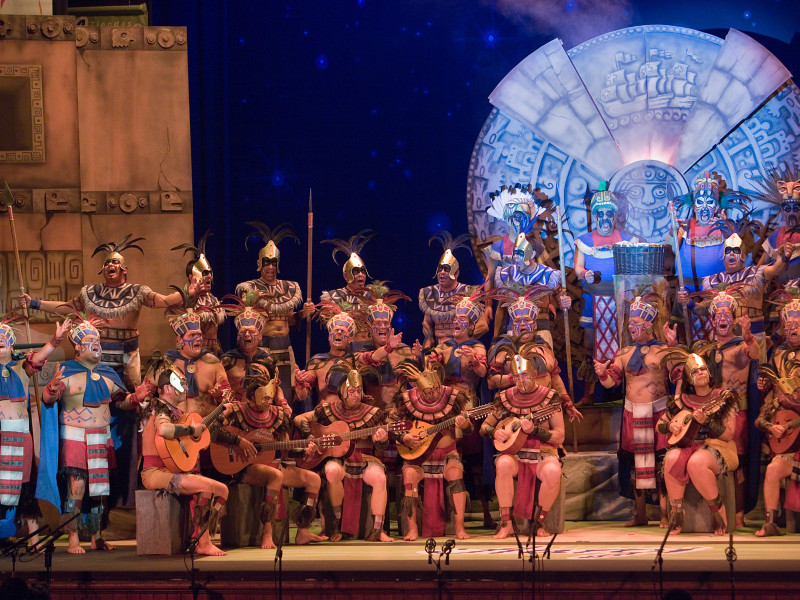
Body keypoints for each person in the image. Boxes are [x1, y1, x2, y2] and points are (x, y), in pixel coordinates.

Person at [20, 234, 182, 386]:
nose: (110, 265)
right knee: (100, 391)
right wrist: (33, 303)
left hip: (127, 353)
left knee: (129, 397)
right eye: (107, 263)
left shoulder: (138, 291)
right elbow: (66, 307)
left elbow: (165, 301)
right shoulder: (91, 292)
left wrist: (189, 291)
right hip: (98, 352)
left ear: (124, 269)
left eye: (115, 262)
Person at [40, 316, 142, 553]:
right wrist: (52, 388)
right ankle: (73, 537)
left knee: (99, 491)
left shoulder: (108, 373)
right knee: (76, 489)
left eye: (97, 341)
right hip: (74, 435)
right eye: (89, 341)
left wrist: (138, 397)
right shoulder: (65, 371)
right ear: (77, 347)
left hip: (100, 436)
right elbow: (49, 400)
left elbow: (122, 403)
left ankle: (96, 535)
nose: (96, 344)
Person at [140, 365, 232, 555]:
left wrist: (220, 418)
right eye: (180, 385)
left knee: (223, 490)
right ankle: (203, 542)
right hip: (155, 473)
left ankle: (198, 533)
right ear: (167, 389)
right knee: (207, 487)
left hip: (173, 470)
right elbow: (164, 430)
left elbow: (203, 438)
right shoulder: (159, 408)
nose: (185, 389)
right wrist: (191, 430)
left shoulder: (177, 414)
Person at [595, 296, 670, 527]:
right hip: (632, 415)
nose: (631, 327)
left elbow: (679, 376)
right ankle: (640, 515)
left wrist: (675, 347)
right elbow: (611, 383)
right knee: (637, 466)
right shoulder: (624, 352)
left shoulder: (663, 350)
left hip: (658, 413)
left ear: (648, 325)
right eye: (630, 323)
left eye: (636, 322)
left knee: (661, 464)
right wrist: (601, 373)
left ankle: (666, 514)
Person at [687, 289, 759, 528]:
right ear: (712, 320)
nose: (722, 319)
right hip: (711, 411)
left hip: (736, 412)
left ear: (734, 320)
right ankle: (715, 509)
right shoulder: (708, 351)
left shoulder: (740, 346)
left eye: (727, 314)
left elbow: (755, 354)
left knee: (737, 463)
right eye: (718, 315)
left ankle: (738, 514)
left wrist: (748, 336)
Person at [297, 365, 393, 542]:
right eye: (351, 391)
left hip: (365, 458)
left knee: (380, 477)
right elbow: (299, 418)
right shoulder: (328, 409)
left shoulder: (373, 413)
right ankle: (337, 524)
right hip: (340, 458)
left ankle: (378, 530)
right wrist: (311, 437)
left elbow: (380, 447)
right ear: (342, 392)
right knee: (331, 471)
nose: (356, 395)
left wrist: (381, 440)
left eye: (358, 390)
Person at [480, 347, 565, 538]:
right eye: (516, 376)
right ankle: (506, 523)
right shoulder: (505, 398)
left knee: (553, 471)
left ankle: (539, 523)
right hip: (516, 454)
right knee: (502, 464)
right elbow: (484, 427)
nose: (521, 380)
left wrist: (534, 431)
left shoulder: (550, 397)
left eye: (525, 375)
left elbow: (560, 436)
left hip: (544, 453)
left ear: (535, 374)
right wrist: (496, 433)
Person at [0, 314, 71, 540]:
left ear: (11, 345)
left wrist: (55, 340)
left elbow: (40, 357)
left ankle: (33, 537)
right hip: (0, 436)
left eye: (4, 337)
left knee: (25, 485)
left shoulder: (22, 367)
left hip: (21, 435)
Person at [657, 353, 739, 535]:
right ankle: (677, 512)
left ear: (710, 373)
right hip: (689, 446)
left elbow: (729, 434)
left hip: (717, 446)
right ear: (689, 379)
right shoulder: (681, 401)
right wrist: (671, 425)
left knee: (696, 462)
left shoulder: (724, 397)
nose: (700, 373)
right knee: (670, 458)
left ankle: (718, 510)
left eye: (703, 369)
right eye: (695, 371)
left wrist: (707, 422)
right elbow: (660, 425)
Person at [236, 222, 315, 406]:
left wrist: (303, 313)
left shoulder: (289, 287)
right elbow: (245, 317)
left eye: (273, 262)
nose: (270, 266)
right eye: (266, 262)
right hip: (262, 344)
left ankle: (284, 426)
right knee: (262, 386)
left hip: (285, 344)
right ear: (259, 264)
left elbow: (291, 319)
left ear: (277, 264)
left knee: (286, 389)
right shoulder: (250, 288)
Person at [573, 182, 638, 404]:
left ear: (615, 215)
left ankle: (626, 390)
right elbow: (578, 268)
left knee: (623, 343)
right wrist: (585, 274)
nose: (604, 219)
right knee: (591, 345)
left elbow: (634, 269)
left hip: (620, 301)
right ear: (594, 216)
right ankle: (590, 393)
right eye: (599, 214)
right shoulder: (584, 241)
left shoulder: (628, 240)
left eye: (608, 214)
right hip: (593, 300)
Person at [392, 360, 471, 541]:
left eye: (436, 389)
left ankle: (460, 527)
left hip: (447, 454)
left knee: (455, 472)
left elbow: (468, 431)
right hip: (418, 456)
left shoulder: (454, 398)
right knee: (410, 476)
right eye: (429, 391)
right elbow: (392, 426)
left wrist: (465, 424)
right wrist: (404, 437)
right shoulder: (406, 401)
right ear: (419, 390)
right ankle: (412, 529)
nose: (434, 394)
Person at [487, 292, 582, 423]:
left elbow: (555, 378)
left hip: (544, 413)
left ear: (535, 325)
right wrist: (515, 378)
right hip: (514, 415)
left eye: (527, 320)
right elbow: (491, 382)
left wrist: (567, 403)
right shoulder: (502, 350)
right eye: (517, 321)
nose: (522, 324)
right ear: (512, 325)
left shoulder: (544, 348)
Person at [753, 292, 800, 536]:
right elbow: (772, 384)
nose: (793, 328)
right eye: (789, 324)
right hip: (788, 431)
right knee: (772, 469)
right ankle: (770, 522)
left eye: (798, 324)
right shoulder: (779, 353)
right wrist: (765, 386)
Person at [419, 231, 488, 348]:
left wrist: (463, 341)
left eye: (446, 269)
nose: (442, 273)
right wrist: (428, 341)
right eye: (440, 269)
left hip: (461, 349)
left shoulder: (467, 292)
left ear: (456, 274)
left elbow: (483, 325)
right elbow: (427, 322)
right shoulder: (429, 293)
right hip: (437, 348)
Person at [320, 230, 379, 351]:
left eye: (363, 271)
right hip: (346, 348)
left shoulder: (372, 296)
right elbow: (327, 322)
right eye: (356, 272)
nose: (360, 275)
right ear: (346, 276)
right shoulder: (334, 296)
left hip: (370, 348)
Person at [172, 231, 226, 354]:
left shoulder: (212, 298)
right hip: (196, 348)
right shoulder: (184, 300)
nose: (208, 276)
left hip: (215, 347)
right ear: (192, 277)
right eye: (204, 273)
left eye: (209, 273)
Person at [294, 309, 357, 408]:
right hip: (323, 413)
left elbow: (374, 357)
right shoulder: (317, 362)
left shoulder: (355, 361)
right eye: (336, 330)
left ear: (349, 339)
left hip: (347, 414)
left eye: (343, 331)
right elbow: (302, 396)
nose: (339, 333)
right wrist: (300, 382)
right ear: (328, 337)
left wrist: (388, 348)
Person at [221, 295, 275, 403]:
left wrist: (283, 402)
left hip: (261, 410)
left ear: (260, 336)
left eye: (251, 332)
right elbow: (220, 388)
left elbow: (275, 386)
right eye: (243, 332)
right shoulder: (228, 360)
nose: (247, 335)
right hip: (236, 410)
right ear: (237, 337)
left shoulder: (267, 360)